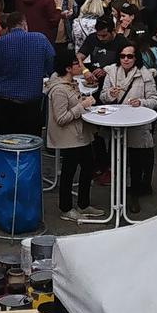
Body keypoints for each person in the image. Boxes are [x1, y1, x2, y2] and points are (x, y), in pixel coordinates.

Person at [98, 40, 157, 200]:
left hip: (138, 126)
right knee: (117, 162)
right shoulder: (111, 73)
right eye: (122, 56)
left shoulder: (145, 74)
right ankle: (119, 194)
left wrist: (142, 102)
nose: (126, 59)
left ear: (135, 58)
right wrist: (110, 94)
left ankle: (135, 196)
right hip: (115, 125)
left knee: (137, 163)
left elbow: (154, 100)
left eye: (129, 56)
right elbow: (103, 97)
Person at [47, 45, 99, 217]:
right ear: (68, 68)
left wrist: (82, 101)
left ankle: (84, 204)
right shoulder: (59, 89)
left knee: (88, 167)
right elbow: (61, 118)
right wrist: (82, 106)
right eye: (77, 63)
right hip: (69, 138)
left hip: (80, 135)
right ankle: (66, 208)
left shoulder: (72, 83)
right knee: (69, 172)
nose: (81, 66)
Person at [0, 13, 57, 135]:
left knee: (4, 143)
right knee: (30, 144)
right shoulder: (41, 39)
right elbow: (52, 66)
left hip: (3, 103)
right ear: (24, 24)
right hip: (30, 105)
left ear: (8, 27)